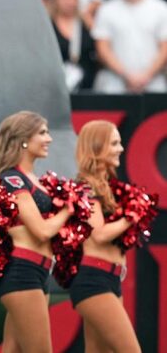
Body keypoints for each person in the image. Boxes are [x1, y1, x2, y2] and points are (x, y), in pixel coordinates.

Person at [0, 111, 72, 353]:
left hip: (38, 272)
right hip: (22, 273)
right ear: (24, 139)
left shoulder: (33, 179)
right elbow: (41, 230)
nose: (48, 138)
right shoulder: (12, 178)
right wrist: (68, 210)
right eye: (42, 133)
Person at [70, 120, 140, 352]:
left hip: (109, 279)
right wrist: (131, 215)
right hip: (94, 280)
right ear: (97, 146)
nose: (121, 148)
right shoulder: (85, 187)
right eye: (114, 143)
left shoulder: (105, 188)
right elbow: (98, 234)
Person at [92, 0, 167, 93]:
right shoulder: (106, 9)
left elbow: (164, 48)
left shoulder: (161, 9)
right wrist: (127, 75)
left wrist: (146, 76)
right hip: (114, 87)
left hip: (153, 87)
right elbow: (102, 48)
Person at [49, 0, 99, 90]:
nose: (69, 1)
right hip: (56, 86)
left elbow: (97, 47)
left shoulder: (85, 23)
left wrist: (89, 21)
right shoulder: (48, 25)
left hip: (86, 86)